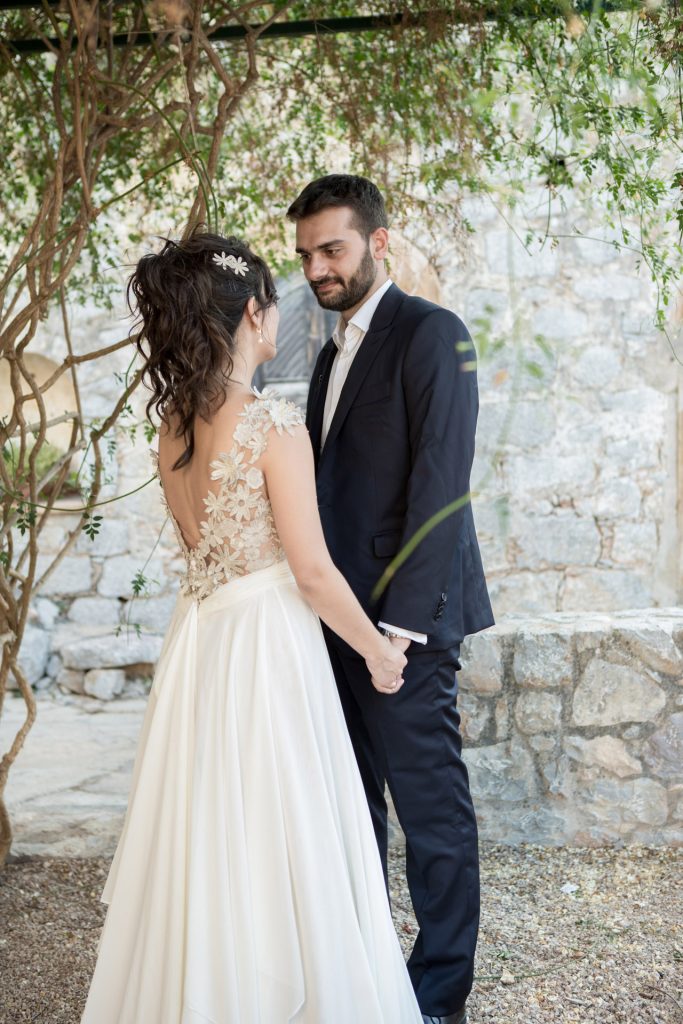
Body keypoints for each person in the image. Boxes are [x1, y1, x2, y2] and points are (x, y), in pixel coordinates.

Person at [80, 230, 424, 1023]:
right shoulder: (272, 426)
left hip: (201, 644)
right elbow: (310, 571)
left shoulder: (173, 425)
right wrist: (377, 653)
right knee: (282, 825)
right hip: (267, 649)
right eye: (274, 302)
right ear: (253, 317)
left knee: (209, 830)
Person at [287, 174, 495, 1024]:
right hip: (335, 621)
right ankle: (371, 982)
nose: (316, 269)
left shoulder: (432, 334)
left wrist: (398, 635)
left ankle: (438, 996)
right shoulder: (329, 349)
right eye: (304, 254)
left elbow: (441, 489)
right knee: (352, 813)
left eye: (331, 248)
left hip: (403, 631)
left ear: (380, 241)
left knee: (432, 816)